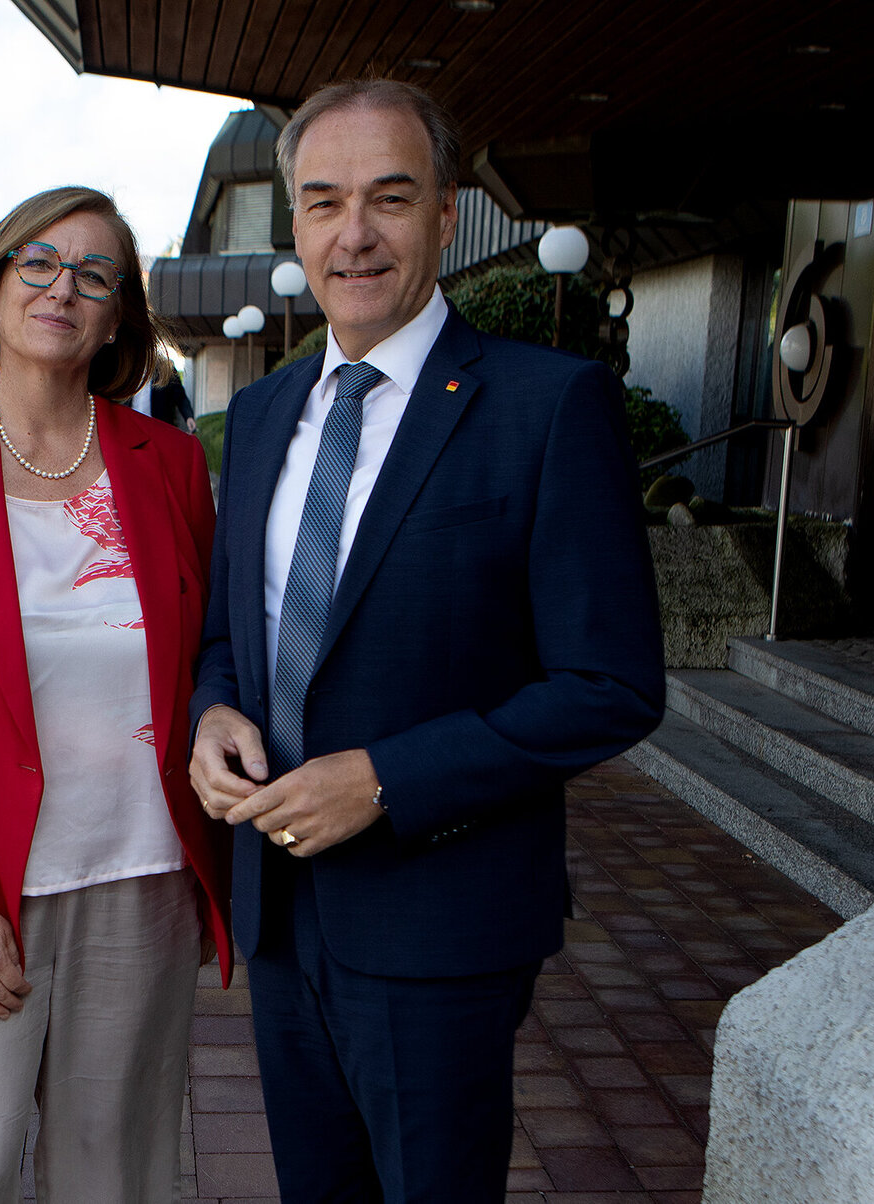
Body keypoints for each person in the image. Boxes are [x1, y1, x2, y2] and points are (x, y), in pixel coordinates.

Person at [188, 80, 664, 1202]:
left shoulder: (548, 406)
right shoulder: (262, 414)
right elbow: (230, 633)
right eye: (323, 201)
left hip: (439, 921)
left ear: (446, 215)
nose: (354, 233)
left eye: (389, 198)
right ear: (295, 225)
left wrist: (389, 779)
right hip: (280, 911)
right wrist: (213, 709)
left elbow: (612, 684)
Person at [0, 186, 232, 1202]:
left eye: (94, 273)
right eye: (38, 262)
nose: (63, 287)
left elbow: (206, 660)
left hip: (143, 874)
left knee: (117, 1171)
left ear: (118, 317)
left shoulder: (171, 466)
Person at [128, 354, 197, 431]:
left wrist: (188, 416)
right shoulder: (127, 368)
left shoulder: (166, 368)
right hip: (131, 426)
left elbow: (180, 397)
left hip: (158, 428)